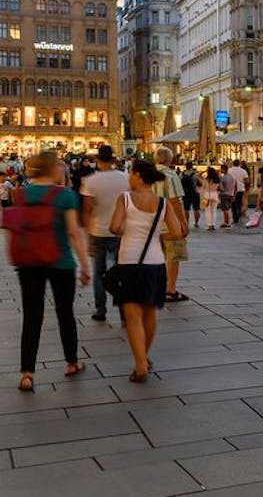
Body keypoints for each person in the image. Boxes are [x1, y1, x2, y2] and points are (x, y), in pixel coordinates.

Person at [12, 150, 90, 391]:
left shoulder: (20, 194)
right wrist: (85, 264)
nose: (61, 169)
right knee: (65, 313)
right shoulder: (65, 196)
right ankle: (71, 362)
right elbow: (74, 233)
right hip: (61, 261)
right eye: (58, 166)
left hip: (29, 262)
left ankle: (27, 373)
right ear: (51, 169)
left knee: (32, 317)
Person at [109, 159, 186, 382]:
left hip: (129, 261)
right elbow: (178, 232)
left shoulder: (124, 199)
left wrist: (127, 230)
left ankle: (140, 365)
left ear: (139, 176)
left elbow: (114, 227)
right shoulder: (163, 203)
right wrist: (159, 236)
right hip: (155, 263)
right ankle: (145, 357)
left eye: (130, 173)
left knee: (133, 316)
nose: (128, 177)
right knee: (150, 313)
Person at [79, 144, 130, 322]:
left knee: (99, 272)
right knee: (122, 271)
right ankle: (124, 308)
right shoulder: (126, 178)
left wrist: (87, 237)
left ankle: (100, 309)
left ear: (98, 160)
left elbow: (87, 210)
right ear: (114, 159)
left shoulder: (90, 181)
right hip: (121, 231)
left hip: (98, 231)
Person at [153, 148, 192, 303]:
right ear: (169, 160)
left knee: (156, 256)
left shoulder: (148, 175)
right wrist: (183, 222)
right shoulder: (170, 175)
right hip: (169, 222)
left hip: (152, 221)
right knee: (172, 256)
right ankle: (170, 290)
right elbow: (175, 201)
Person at [179, 164, 200, 231]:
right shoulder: (195, 175)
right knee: (196, 209)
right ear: (191, 167)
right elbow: (200, 183)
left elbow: (179, 183)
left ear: (186, 167)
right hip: (194, 193)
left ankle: (187, 223)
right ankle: (196, 223)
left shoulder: (181, 174)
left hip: (185, 194)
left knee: (186, 209)